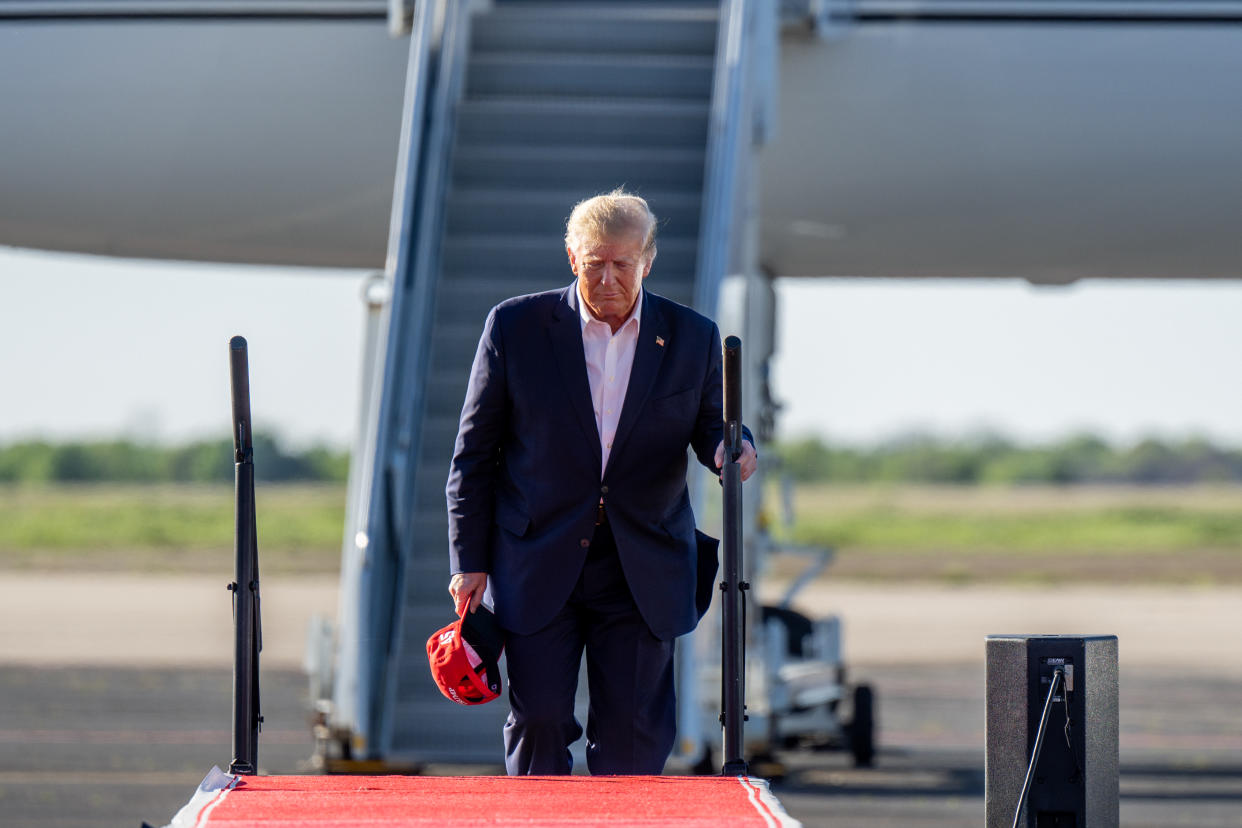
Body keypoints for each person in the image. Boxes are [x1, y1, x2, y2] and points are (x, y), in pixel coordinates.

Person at [445, 189, 757, 776]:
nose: (607, 277)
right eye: (594, 263)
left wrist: (729, 449)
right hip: (537, 558)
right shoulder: (515, 327)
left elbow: (712, 426)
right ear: (571, 258)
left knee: (632, 741)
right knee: (538, 721)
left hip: (642, 565)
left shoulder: (691, 336)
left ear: (647, 260)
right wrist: (469, 560)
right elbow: (473, 456)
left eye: (622, 262)